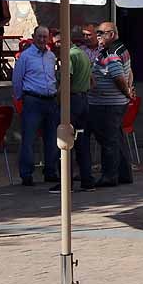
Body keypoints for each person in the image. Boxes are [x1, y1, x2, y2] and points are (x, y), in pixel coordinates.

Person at [48, 30, 95, 193]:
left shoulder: (68, 56)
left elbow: (66, 80)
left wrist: (59, 98)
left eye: (57, 43)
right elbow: (92, 81)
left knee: (65, 141)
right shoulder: (82, 54)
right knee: (82, 142)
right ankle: (87, 180)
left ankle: (66, 183)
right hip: (84, 100)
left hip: (72, 102)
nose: (55, 47)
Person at [12, 26, 59, 186]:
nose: (42, 40)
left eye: (45, 37)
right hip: (33, 101)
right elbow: (17, 80)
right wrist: (21, 98)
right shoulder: (25, 57)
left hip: (51, 101)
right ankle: (26, 174)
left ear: (49, 38)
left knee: (52, 138)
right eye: (39, 36)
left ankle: (50, 172)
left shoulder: (51, 56)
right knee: (29, 139)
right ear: (33, 37)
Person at [88, 22, 134, 187]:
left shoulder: (112, 53)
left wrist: (126, 92)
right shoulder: (121, 48)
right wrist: (128, 91)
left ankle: (109, 176)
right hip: (113, 102)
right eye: (97, 33)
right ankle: (124, 174)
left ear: (112, 34)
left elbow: (119, 77)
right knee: (115, 139)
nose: (98, 36)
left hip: (108, 103)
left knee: (109, 141)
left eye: (102, 33)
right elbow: (129, 72)